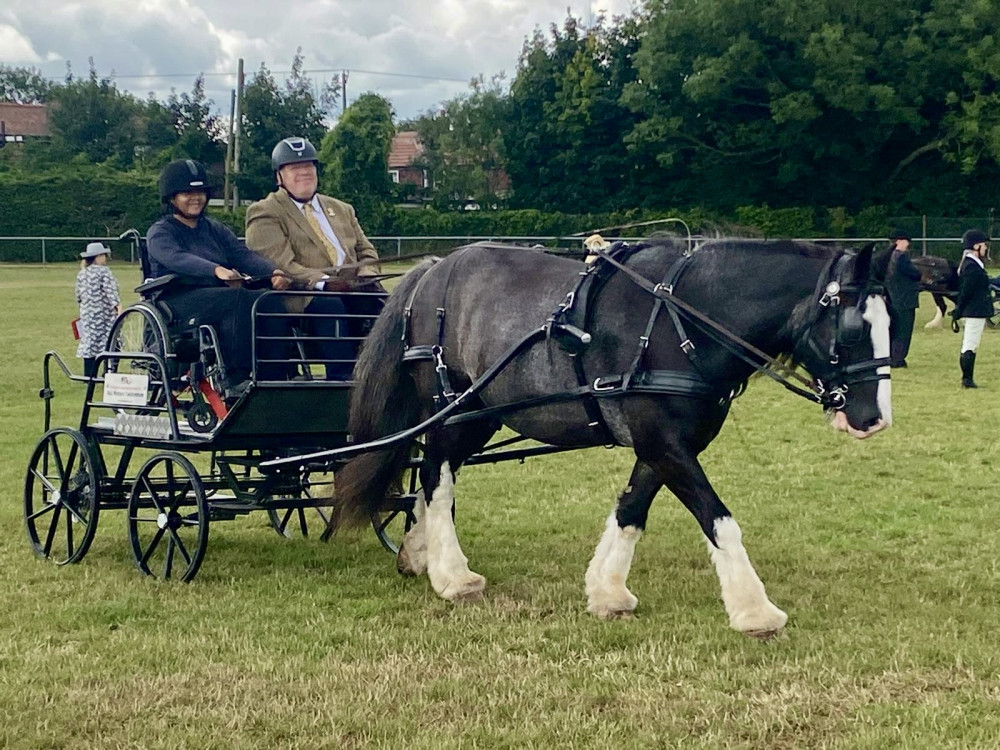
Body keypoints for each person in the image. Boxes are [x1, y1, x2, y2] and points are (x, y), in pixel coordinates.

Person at [146, 159, 293, 389]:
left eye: (200, 192)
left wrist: (273, 272)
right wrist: (215, 270)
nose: (196, 197)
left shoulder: (215, 229)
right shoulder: (160, 232)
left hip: (218, 297)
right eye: (187, 192)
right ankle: (236, 378)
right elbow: (177, 258)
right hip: (176, 302)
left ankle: (276, 375)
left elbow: (242, 255)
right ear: (172, 197)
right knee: (237, 300)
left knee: (268, 300)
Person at [245, 136, 383, 380]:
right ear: (279, 177)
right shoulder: (265, 212)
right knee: (329, 305)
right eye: (294, 168)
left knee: (386, 302)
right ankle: (342, 379)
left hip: (353, 289)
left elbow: (367, 252)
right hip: (303, 296)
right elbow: (282, 265)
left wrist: (366, 275)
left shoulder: (342, 209)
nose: (304, 173)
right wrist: (324, 282)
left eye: (308, 166)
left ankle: (389, 375)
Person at [951, 229, 993, 388]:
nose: (985, 248)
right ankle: (967, 379)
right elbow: (966, 291)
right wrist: (958, 311)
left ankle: (968, 378)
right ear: (976, 246)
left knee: (972, 344)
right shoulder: (971, 266)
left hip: (976, 310)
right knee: (970, 344)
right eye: (984, 245)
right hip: (974, 311)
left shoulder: (973, 264)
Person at [75, 242, 121, 377]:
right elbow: (110, 291)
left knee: (89, 343)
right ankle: (109, 372)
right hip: (104, 315)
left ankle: (89, 374)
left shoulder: (82, 273)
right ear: (98, 256)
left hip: (87, 314)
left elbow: (78, 295)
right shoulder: (104, 272)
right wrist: (118, 307)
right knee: (112, 341)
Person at [883, 229, 923, 368]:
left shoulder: (887, 257)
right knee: (904, 330)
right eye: (906, 241)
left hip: (892, 297)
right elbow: (915, 273)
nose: (908, 245)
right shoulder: (901, 257)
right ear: (899, 241)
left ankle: (890, 355)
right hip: (905, 299)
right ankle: (898, 359)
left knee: (893, 329)